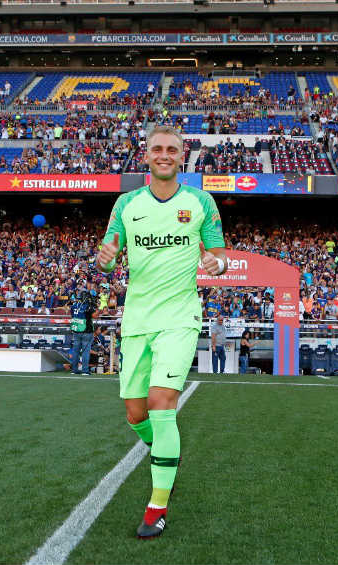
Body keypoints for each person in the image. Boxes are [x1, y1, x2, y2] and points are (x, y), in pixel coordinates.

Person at [95, 125, 227, 539]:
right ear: (146, 155)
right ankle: (165, 453)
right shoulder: (126, 203)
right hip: (136, 320)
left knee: (161, 402)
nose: (164, 154)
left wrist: (216, 265)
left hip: (179, 316)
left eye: (172, 149)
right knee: (136, 412)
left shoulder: (200, 201)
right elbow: (107, 258)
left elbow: (219, 252)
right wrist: (106, 259)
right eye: (157, 149)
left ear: (181, 155)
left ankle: (156, 507)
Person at [68, 286, 96, 375]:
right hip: (86, 331)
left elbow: (72, 316)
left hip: (76, 331)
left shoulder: (74, 306)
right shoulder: (87, 306)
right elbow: (95, 315)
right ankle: (85, 370)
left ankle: (74, 370)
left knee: (75, 351)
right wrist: (94, 305)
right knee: (85, 352)